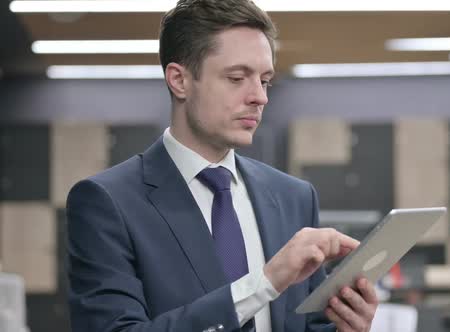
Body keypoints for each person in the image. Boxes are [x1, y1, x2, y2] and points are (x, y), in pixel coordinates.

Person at [66, 0, 378, 331]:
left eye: (265, 80)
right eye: (236, 78)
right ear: (179, 80)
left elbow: (308, 325)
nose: (260, 97)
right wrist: (264, 283)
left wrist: (345, 327)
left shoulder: (294, 198)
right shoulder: (106, 203)